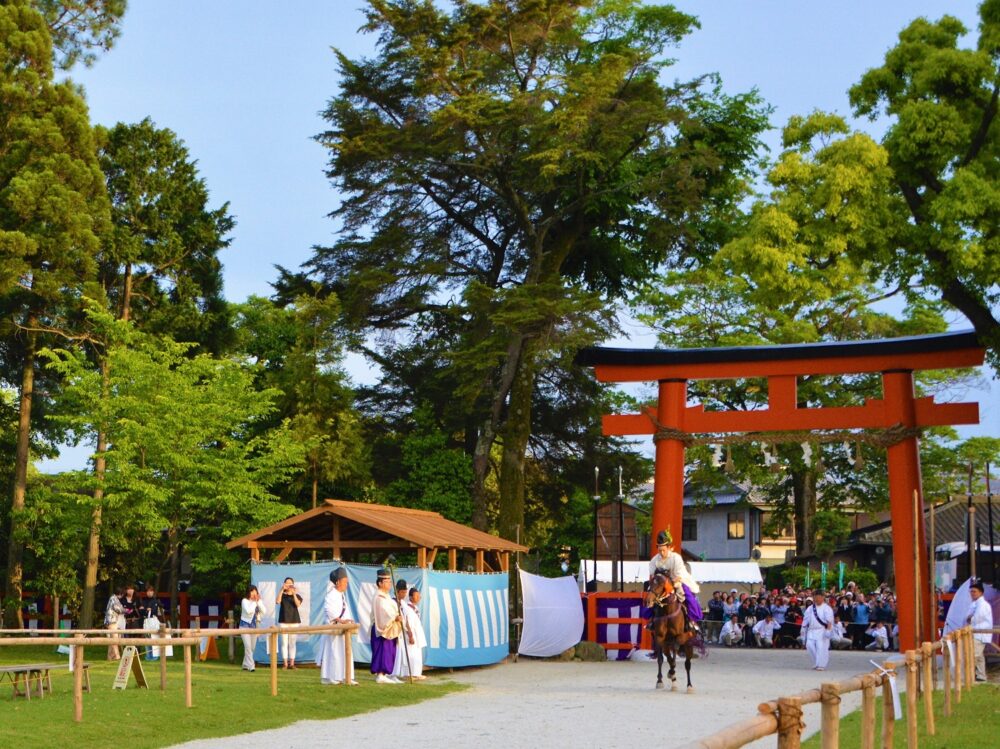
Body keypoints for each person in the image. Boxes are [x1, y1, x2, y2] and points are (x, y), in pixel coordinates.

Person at [648, 529, 702, 634]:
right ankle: (652, 620)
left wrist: (670, 584)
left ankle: (691, 620)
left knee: (685, 595)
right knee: (650, 594)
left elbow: (678, 577)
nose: (661, 552)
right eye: (659, 550)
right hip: (661, 584)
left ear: (669, 547)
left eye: (663, 550)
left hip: (678, 581)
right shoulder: (654, 560)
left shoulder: (676, 558)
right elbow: (652, 575)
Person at [319, 568, 357, 685]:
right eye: (345, 581)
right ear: (337, 582)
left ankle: (347, 676)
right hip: (335, 629)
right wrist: (340, 620)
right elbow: (329, 611)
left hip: (344, 629)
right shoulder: (331, 595)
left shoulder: (341, 595)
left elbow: (345, 611)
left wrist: (349, 622)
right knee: (334, 652)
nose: (347, 584)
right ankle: (332, 677)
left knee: (346, 652)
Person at [371, 568, 403, 684]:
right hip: (382, 628)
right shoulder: (379, 597)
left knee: (389, 651)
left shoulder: (386, 596)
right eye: (386, 581)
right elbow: (384, 612)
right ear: (380, 583)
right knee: (383, 651)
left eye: (390, 581)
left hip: (389, 627)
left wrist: (397, 616)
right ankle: (380, 674)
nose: (389, 584)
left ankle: (384, 674)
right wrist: (395, 617)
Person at [393, 581, 428, 681]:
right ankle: (409, 673)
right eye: (416, 595)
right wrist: (410, 633)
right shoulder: (406, 606)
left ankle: (416, 673)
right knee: (410, 653)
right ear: (411, 597)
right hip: (409, 633)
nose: (419, 597)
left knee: (417, 653)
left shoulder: (412, 607)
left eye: (419, 595)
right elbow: (406, 619)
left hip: (416, 632)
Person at [967, 579, 993, 682]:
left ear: (981, 592)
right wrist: (969, 618)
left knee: (974, 656)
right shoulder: (975, 603)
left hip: (980, 634)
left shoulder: (983, 604)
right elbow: (968, 617)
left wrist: (970, 618)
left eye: (974, 591)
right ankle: (981, 676)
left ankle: (971, 676)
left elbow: (976, 618)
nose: (972, 593)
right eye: (971, 591)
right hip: (976, 633)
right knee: (979, 656)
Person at [802, 590, 835, 671]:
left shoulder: (827, 608)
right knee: (809, 645)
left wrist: (828, 631)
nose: (817, 599)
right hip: (811, 630)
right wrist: (803, 630)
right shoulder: (810, 608)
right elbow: (805, 620)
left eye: (818, 597)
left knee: (821, 647)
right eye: (815, 598)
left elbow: (829, 621)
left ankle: (821, 664)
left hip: (822, 630)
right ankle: (816, 662)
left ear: (823, 597)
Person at [276, 577, 303, 669]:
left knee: (292, 643)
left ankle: (292, 663)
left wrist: (294, 593)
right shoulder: (282, 595)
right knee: (284, 643)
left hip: (294, 621)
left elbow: (298, 604)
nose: (288, 585)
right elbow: (277, 601)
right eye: (287, 583)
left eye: (290, 583)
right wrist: (281, 589)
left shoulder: (297, 595)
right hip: (283, 621)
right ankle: (285, 664)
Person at [239, 585, 266, 672]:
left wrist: (259, 602)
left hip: (255, 626)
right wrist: (254, 602)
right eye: (252, 591)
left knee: (252, 648)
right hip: (244, 626)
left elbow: (264, 611)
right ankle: (251, 666)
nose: (254, 593)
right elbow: (248, 611)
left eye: (255, 591)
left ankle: (245, 664)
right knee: (248, 647)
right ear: (248, 592)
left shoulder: (258, 601)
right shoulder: (244, 601)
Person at [139, 585, 165, 661]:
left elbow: (154, 611)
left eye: (151, 591)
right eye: (148, 591)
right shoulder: (143, 601)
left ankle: (155, 656)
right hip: (146, 621)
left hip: (153, 620)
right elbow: (141, 611)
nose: (149, 593)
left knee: (154, 638)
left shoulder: (156, 601)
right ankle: (148, 656)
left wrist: (147, 609)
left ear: (153, 592)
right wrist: (146, 610)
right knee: (147, 638)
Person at [104, 586, 125, 660]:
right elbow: (119, 609)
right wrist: (126, 610)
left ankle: (110, 656)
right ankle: (117, 656)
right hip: (111, 621)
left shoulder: (113, 598)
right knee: (115, 638)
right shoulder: (114, 599)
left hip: (112, 620)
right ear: (120, 593)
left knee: (111, 639)